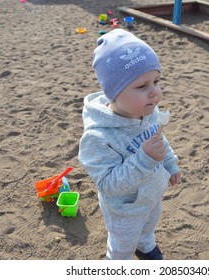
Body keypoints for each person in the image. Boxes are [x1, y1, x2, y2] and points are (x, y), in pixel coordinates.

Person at [78, 29, 181, 260]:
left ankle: (144, 244)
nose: (155, 93)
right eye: (142, 86)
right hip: (125, 210)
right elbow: (107, 184)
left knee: (147, 226)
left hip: (151, 196)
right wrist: (144, 159)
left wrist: (170, 163)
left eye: (156, 81)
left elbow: (159, 139)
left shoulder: (149, 112)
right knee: (122, 248)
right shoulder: (97, 137)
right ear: (114, 92)